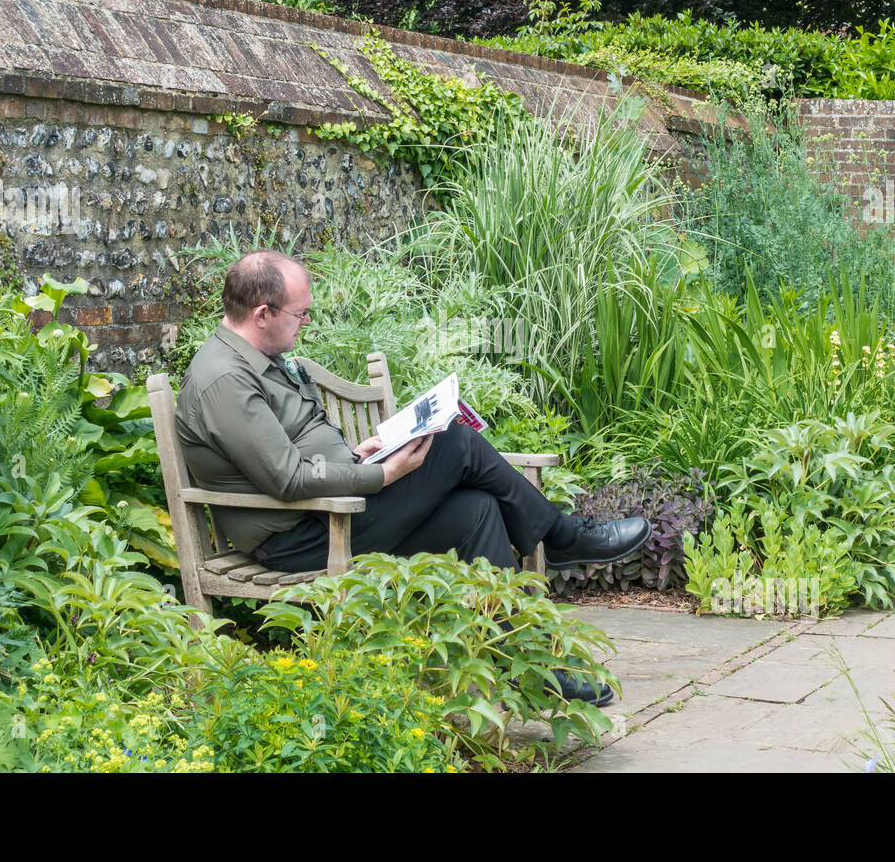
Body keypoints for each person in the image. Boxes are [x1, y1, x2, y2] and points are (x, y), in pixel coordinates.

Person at [175, 249, 651, 704]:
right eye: (301, 315)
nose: (306, 324)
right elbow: (286, 478)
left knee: (476, 509)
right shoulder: (225, 379)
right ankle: (563, 535)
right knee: (455, 443)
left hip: (330, 510)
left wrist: (355, 455)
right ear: (262, 313)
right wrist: (381, 475)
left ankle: (532, 658)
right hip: (302, 535)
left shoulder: (257, 357)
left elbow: (293, 448)